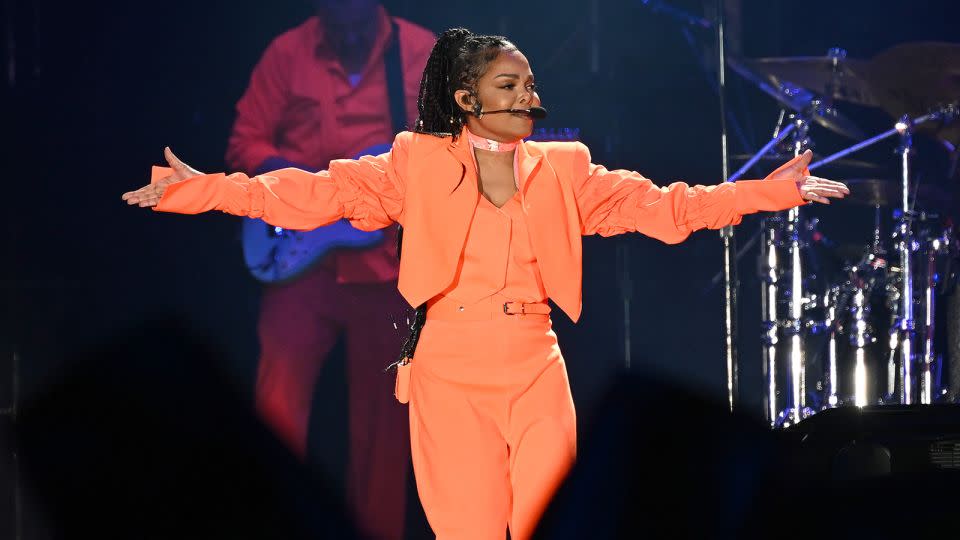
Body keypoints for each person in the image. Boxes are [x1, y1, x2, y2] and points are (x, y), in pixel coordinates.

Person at [123, 27, 849, 540]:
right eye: (510, 83)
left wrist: (764, 193)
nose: (529, 94)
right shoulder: (415, 160)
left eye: (531, 83)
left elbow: (667, 208)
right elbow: (315, 195)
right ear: (467, 98)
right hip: (449, 372)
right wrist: (208, 191)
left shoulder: (565, 169)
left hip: (536, 366)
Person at [224, 1, 434, 539]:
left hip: (387, 269)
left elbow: (454, 148)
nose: (347, 35)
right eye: (335, 25)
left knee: (383, 431)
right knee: (277, 409)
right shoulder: (287, 52)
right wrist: (293, 181)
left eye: (357, 26)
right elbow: (243, 142)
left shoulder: (422, 53)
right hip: (300, 268)